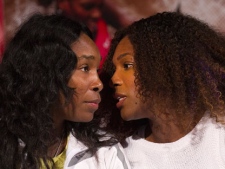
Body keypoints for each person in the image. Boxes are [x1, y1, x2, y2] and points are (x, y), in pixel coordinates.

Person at [0, 14, 130, 169]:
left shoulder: (105, 153)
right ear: (45, 72)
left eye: (97, 70)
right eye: (85, 68)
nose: (98, 84)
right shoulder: (6, 147)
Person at [100, 12, 225, 168]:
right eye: (113, 70)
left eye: (127, 66)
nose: (114, 79)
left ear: (164, 67)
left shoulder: (218, 134)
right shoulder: (118, 155)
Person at [57, 0, 115, 69]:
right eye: (88, 7)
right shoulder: (45, 42)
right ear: (62, 2)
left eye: (100, 6)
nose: (97, 14)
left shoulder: (112, 38)